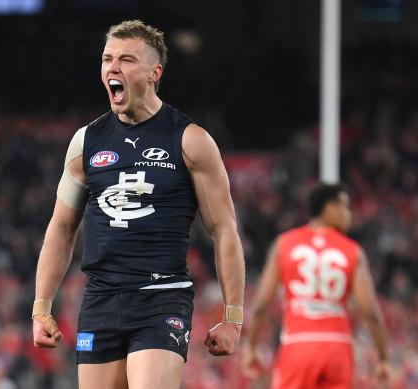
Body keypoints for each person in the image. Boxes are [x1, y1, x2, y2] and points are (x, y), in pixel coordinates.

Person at [32, 19, 245, 389]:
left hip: (160, 300)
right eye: (107, 59)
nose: (112, 68)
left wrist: (233, 316)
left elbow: (224, 230)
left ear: (153, 73)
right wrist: (41, 307)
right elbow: (62, 228)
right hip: (99, 300)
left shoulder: (191, 141)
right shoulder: (86, 143)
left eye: (126, 59)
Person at [242, 183, 391, 389]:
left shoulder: (284, 244)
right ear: (329, 209)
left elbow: (260, 307)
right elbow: (371, 313)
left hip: (298, 342)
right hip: (337, 345)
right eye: (345, 207)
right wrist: (383, 358)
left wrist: (252, 347)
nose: (349, 214)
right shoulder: (353, 251)